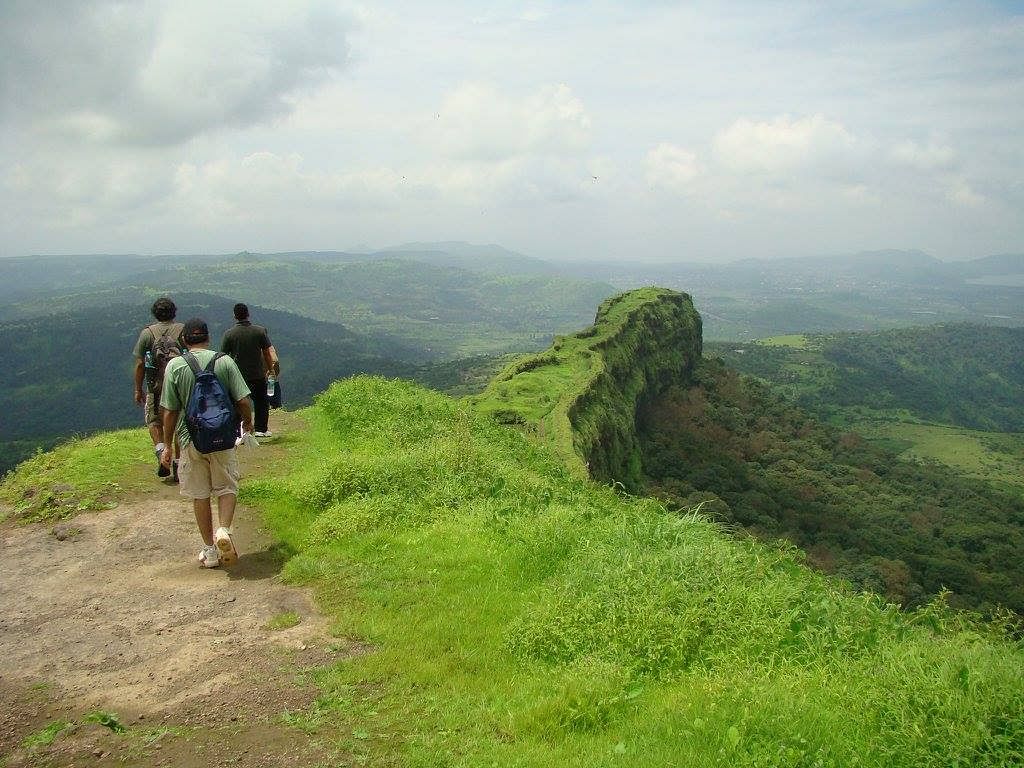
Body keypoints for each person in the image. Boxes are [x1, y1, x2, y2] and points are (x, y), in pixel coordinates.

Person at [160, 318, 254, 569]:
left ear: (184, 340)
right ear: (208, 338)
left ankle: (210, 552)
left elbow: (169, 411)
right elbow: (243, 400)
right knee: (227, 487)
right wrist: (248, 424)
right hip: (223, 437)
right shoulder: (224, 361)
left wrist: (167, 445)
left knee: (200, 495)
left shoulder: (175, 366)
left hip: (190, 439)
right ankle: (223, 530)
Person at [132, 297, 184, 478]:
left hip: (155, 386)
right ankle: (178, 464)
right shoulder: (182, 330)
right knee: (178, 423)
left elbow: (140, 364)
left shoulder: (148, 334)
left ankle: (162, 453)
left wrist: (138, 389)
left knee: (154, 421)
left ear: (155, 313)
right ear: (174, 312)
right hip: (179, 386)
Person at [220, 303, 280, 440]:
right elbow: (266, 352)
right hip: (257, 373)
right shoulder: (259, 331)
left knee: (237, 404)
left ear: (234, 316)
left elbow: (223, 356)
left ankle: (237, 432)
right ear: (248, 314)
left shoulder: (229, 334)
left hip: (237, 375)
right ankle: (261, 429)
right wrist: (270, 369)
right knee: (261, 402)